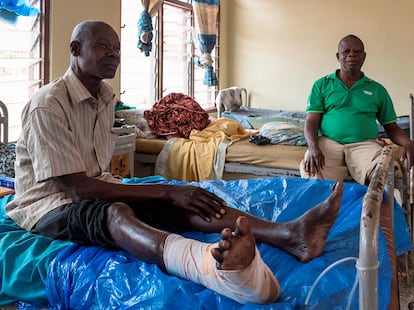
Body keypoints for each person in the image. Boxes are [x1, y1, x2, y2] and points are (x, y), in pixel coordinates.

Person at [6, 20, 344, 305]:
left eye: (117, 48)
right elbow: (78, 189)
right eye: (102, 46)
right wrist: (163, 191)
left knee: (190, 198)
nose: (113, 54)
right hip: (50, 206)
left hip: (98, 188)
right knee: (116, 213)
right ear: (75, 49)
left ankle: (289, 233)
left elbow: (99, 177)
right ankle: (205, 267)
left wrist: (170, 193)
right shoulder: (48, 105)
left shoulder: (104, 99)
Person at [300, 34, 414, 185]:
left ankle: (372, 208)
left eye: (357, 51)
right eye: (346, 51)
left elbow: (391, 127)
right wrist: (313, 147)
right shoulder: (322, 85)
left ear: (364, 56)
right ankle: (326, 207)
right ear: (338, 56)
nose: (351, 55)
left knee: (383, 171)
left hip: (364, 145)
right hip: (328, 143)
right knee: (311, 170)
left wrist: (409, 143)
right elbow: (311, 122)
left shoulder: (377, 89)